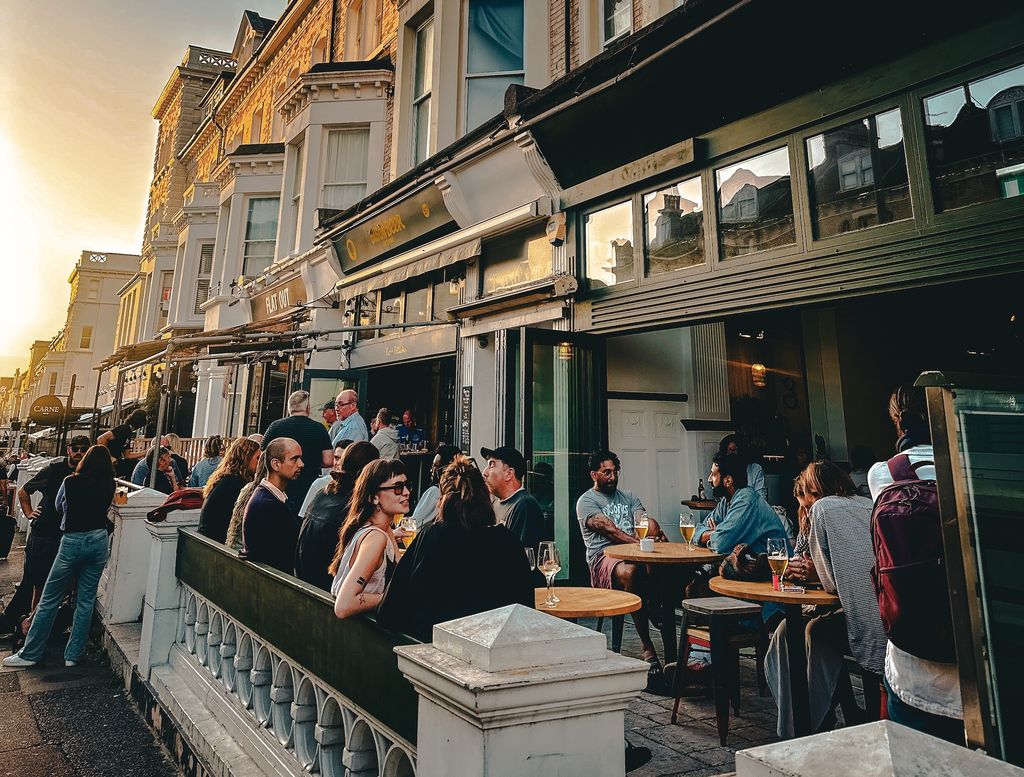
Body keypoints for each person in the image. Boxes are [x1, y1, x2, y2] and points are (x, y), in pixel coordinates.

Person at [867, 385, 962, 744]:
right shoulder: (973, 465)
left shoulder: (884, 475)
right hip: (984, 667)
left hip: (912, 663)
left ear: (898, 422)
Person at [766, 461, 886, 738]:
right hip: (853, 606)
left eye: (809, 499)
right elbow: (801, 554)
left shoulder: (828, 510)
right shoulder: (858, 507)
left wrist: (813, 573)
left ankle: (812, 722)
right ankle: (802, 718)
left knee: (813, 631)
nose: (806, 508)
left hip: (857, 611)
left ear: (819, 492)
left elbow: (833, 580)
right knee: (787, 631)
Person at [378, 455, 534, 641]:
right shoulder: (507, 541)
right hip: (495, 653)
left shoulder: (433, 536)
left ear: (442, 501)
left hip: (437, 654)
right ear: (486, 498)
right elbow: (526, 612)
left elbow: (388, 613)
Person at [3, 445, 115, 669]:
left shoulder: (70, 482)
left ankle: (31, 652)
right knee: (85, 601)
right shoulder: (110, 484)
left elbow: (58, 506)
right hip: (98, 540)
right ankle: (73, 654)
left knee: (49, 598)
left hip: (73, 540)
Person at [577, 450, 667, 670]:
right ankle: (648, 647)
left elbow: (643, 521)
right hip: (604, 559)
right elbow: (611, 531)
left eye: (615, 472)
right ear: (593, 475)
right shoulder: (586, 501)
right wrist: (637, 543)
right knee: (631, 572)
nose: (613, 477)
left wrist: (648, 529)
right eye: (606, 472)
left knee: (658, 552)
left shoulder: (629, 497)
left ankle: (655, 606)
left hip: (636, 555)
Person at [0, 436, 89, 635]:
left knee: (58, 583)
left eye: (84, 450)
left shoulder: (87, 473)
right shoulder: (55, 470)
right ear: (69, 449)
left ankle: (26, 622)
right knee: (35, 581)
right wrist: (30, 512)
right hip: (44, 534)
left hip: (68, 536)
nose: (79, 453)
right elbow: (24, 491)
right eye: (76, 448)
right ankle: (29, 626)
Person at [695, 453, 789, 622]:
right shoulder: (726, 502)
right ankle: (717, 645)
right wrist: (717, 533)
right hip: (749, 576)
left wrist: (719, 535)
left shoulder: (746, 500)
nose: (709, 479)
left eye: (714, 474)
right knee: (695, 588)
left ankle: (725, 643)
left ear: (728, 480)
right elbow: (698, 530)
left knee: (702, 589)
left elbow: (721, 543)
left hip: (770, 583)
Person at [296, 441, 380, 591]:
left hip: (304, 579)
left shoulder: (324, 492)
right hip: (326, 589)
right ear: (369, 474)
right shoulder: (354, 506)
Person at [329, 459, 406, 617]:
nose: (406, 492)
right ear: (374, 497)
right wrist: (389, 598)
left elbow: (400, 572)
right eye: (397, 488)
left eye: (406, 485)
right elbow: (343, 606)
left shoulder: (378, 529)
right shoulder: (376, 538)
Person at [262, 390, 333, 519]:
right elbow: (328, 460)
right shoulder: (319, 429)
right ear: (307, 408)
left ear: (289, 408)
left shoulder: (276, 426)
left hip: (281, 485)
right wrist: (313, 461)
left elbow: (263, 454)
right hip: (308, 484)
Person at [240, 438, 303, 572]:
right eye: (294, 459)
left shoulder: (268, 496)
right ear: (276, 464)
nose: (301, 464)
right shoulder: (268, 504)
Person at [197, 438, 260, 544]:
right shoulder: (235, 482)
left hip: (207, 540)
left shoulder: (226, 478)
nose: (260, 463)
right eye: (258, 458)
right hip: (216, 543)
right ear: (246, 457)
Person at [481, 445, 544, 550]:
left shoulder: (524, 505)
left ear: (509, 474)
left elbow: (521, 555)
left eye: (491, 465)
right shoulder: (495, 503)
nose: (485, 472)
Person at [409, 444, 461, 529]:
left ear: (445, 469)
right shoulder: (464, 492)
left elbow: (414, 523)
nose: (431, 470)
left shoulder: (435, 492)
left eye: (435, 466)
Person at [297, 441, 348, 521]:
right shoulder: (320, 484)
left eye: (343, 459)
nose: (338, 463)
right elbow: (303, 516)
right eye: (336, 458)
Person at [226, 454, 267, 552]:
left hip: (232, 548)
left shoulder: (248, 487)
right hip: (242, 554)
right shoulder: (261, 495)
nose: (301, 464)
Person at [97, 409, 148, 479]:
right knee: (132, 464)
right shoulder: (123, 429)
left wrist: (146, 452)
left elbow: (127, 455)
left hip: (115, 463)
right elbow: (101, 439)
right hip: (105, 463)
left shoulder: (129, 433)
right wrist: (109, 457)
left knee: (134, 463)